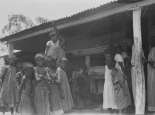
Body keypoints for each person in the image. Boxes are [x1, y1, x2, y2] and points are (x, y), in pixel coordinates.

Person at [147, 46, 155, 111]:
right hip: (152, 73)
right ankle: (152, 107)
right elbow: (150, 61)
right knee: (152, 89)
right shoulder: (153, 50)